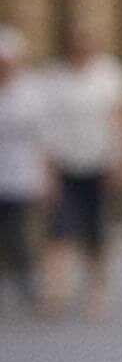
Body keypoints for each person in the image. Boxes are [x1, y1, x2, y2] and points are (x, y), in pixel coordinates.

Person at [37, 22, 122, 320]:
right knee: (58, 228)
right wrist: (45, 168)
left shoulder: (110, 75)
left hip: (99, 162)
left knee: (94, 230)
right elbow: (45, 125)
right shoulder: (54, 77)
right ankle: (55, 291)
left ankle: (97, 287)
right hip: (64, 162)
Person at [0, 25, 51, 315]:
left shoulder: (31, 92)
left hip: (21, 175)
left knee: (20, 233)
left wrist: (47, 176)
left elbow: (44, 138)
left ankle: (27, 283)